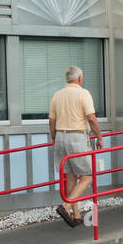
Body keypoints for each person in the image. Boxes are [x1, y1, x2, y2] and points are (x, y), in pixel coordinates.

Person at [49, 65, 103, 227]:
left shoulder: (57, 95)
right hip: (77, 136)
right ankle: (66, 206)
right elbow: (91, 118)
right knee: (88, 175)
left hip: (60, 136)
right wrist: (99, 136)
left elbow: (51, 120)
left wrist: (54, 138)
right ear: (80, 79)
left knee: (70, 174)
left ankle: (77, 215)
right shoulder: (83, 93)